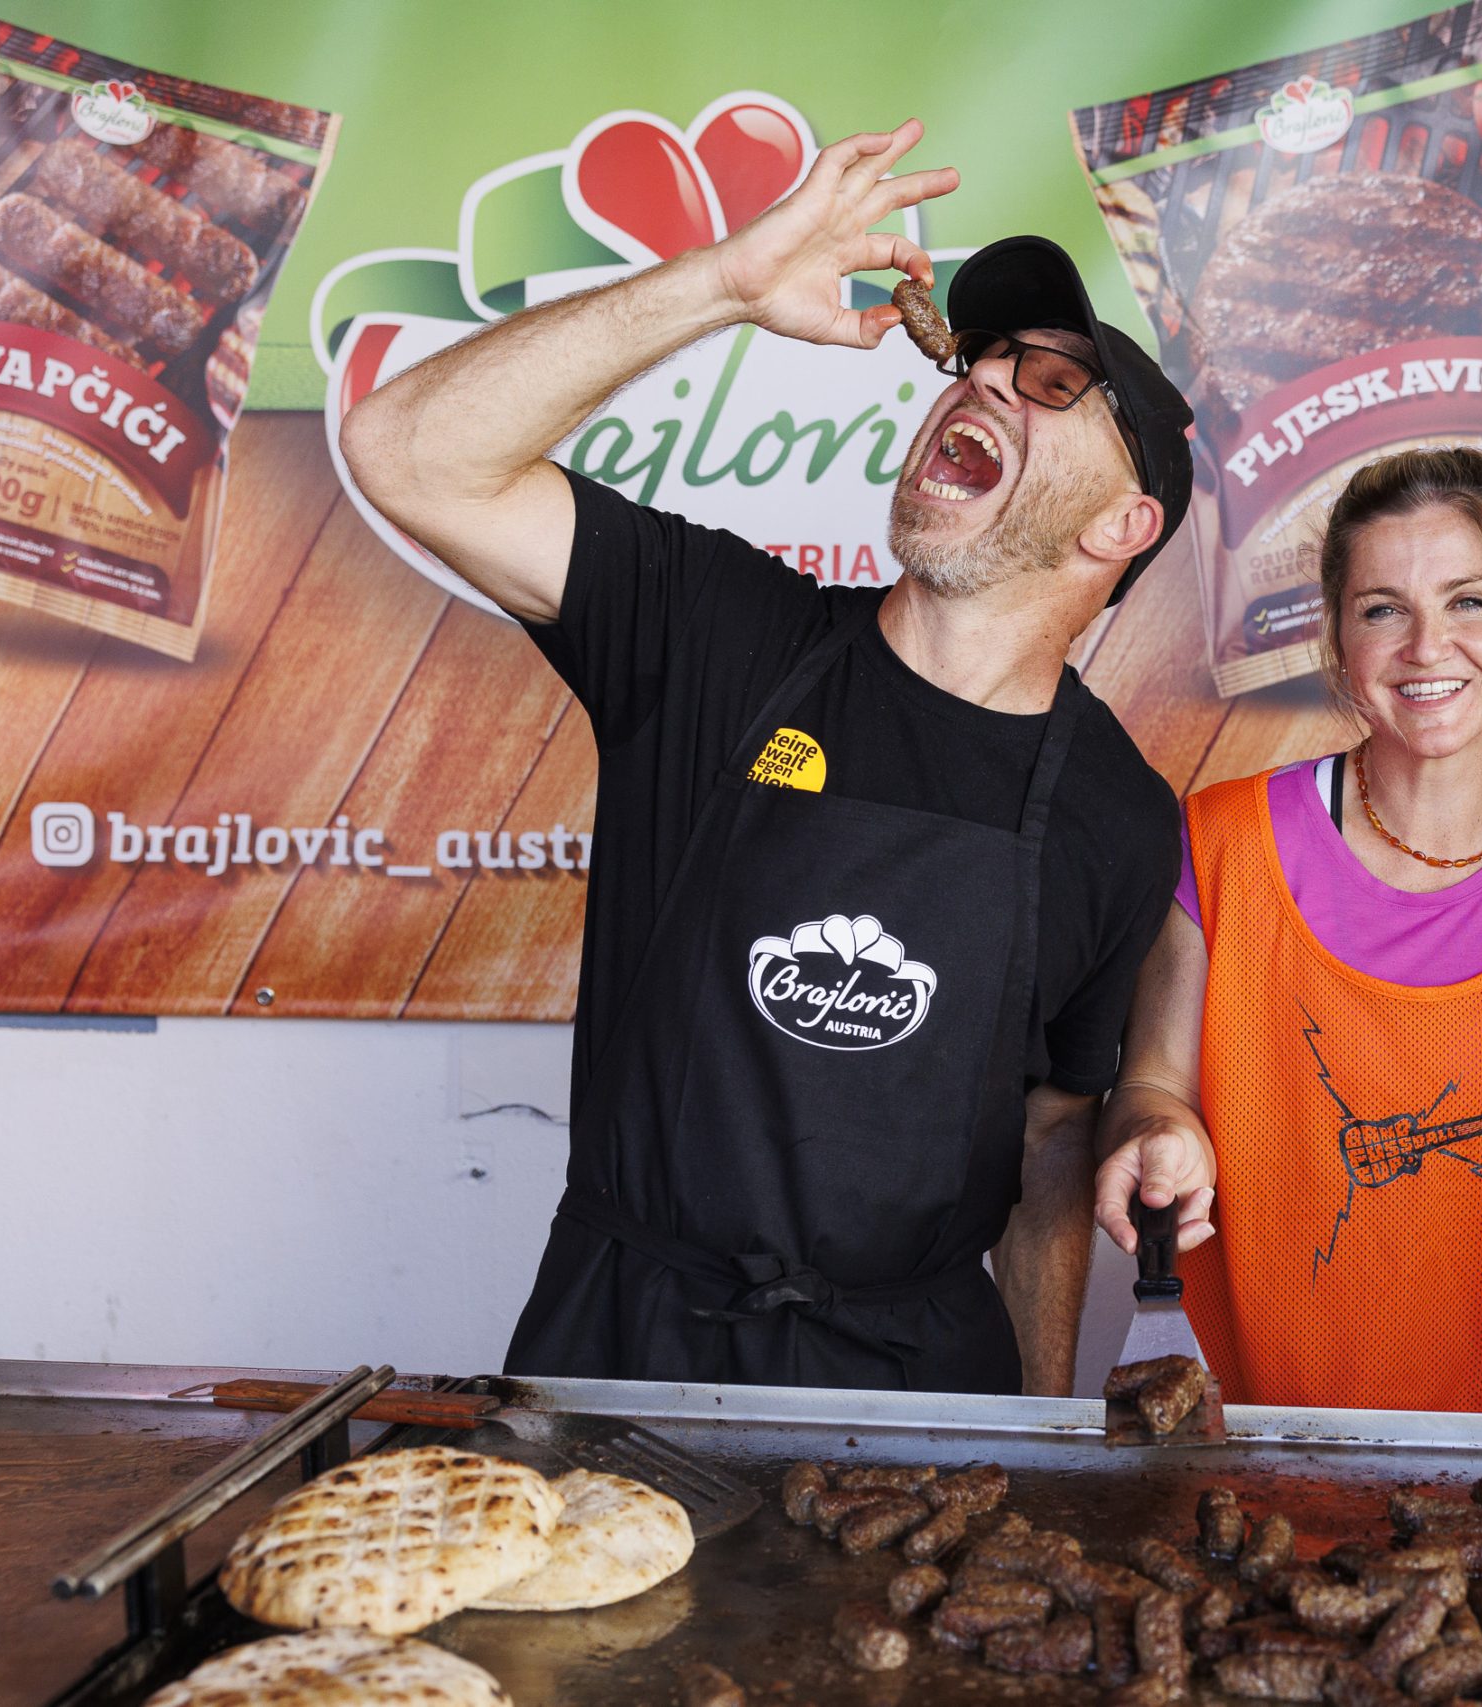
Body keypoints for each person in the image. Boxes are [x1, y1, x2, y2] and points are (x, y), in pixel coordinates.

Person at [340, 121, 1193, 1396]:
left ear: (1126, 524)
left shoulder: (1117, 817)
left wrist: (1030, 1444)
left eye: (1057, 385)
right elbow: (406, 455)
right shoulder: (718, 635)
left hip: (917, 1392)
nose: (987, 384)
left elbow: (1054, 1136)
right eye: (987, 361)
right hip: (620, 1348)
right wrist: (722, 287)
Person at [1092, 447, 1482, 1412]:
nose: (1428, 646)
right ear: (1340, 643)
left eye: (1468, 600)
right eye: (1383, 608)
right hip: (1252, 1449)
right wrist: (1153, 1131)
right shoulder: (1218, 844)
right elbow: (1151, 1086)